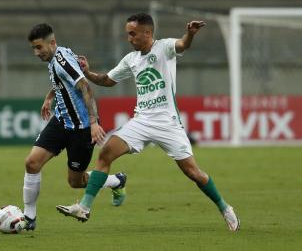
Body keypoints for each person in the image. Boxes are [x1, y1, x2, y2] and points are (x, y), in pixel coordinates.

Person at [56, 13, 240, 231]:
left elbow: (182, 45)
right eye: (127, 34)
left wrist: (189, 34)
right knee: (105, 153)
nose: (129, 38)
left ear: (147, 33)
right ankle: (84, 207)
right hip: (141, 121)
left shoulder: (165, 48)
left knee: (193, 172)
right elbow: (107, 80)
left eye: (133, 33)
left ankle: (224, 207)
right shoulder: (131, 59)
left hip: (167, 123)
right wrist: (87, 72)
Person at [23, 23, 127, 231]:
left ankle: (116, 181)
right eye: (34, 48)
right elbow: (63, 81)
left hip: (81, 129)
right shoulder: (57, 55)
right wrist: (50, 96)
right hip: (61, 121)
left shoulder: (62, 61)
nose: (36, 53)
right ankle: (29, 218)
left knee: (75, 182)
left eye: (39, 47)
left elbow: (85, 87)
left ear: (51, 43)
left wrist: (94, 122)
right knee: (32, 163)